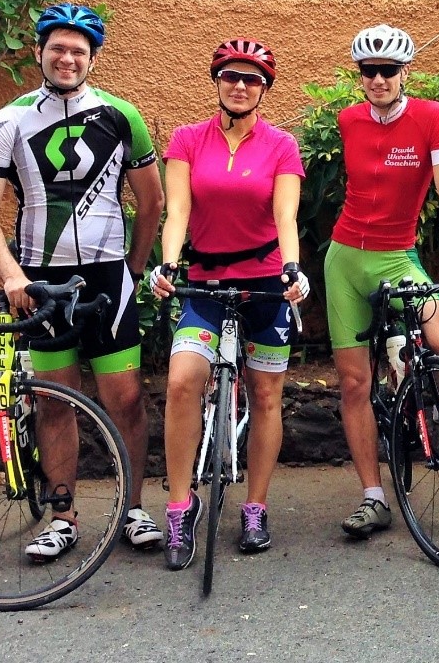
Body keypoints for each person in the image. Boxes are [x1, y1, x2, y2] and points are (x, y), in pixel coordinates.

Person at [0, 3, 164, 559]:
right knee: (56, 402)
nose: (67, 58)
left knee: (126, 398)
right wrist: (12, 276)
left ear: (93, 58)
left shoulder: (122, 115)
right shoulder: (8, 120)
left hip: (107, 277)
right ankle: (62, 517)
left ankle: (133, 508)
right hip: (40, 283)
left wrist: (133, 269)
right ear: (39, 52)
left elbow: (152, 201)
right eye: (57, 47)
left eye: (79, 50)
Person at [148, 39, 307, 569]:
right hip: (206, 283)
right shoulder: (187, 139)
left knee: (265, 396)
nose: (240, 86)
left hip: (264, 285)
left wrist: (292, 269)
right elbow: (176, 212)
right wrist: (168, 264)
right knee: (181, 381)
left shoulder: (281, 145)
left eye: (252, 79)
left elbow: (286, 216)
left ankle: (255, 507)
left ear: (264, 89)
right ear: (217, 81)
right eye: (231, 76)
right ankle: (180, 506)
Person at [324, 24, 439, 538]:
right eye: (369, 71)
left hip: (396, 257)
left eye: (388, 70)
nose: (378, 79)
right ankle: (373, 497)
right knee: (354, 383)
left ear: (404, 72)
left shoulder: (431, 117)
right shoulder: (349, 120)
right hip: (345, 260)